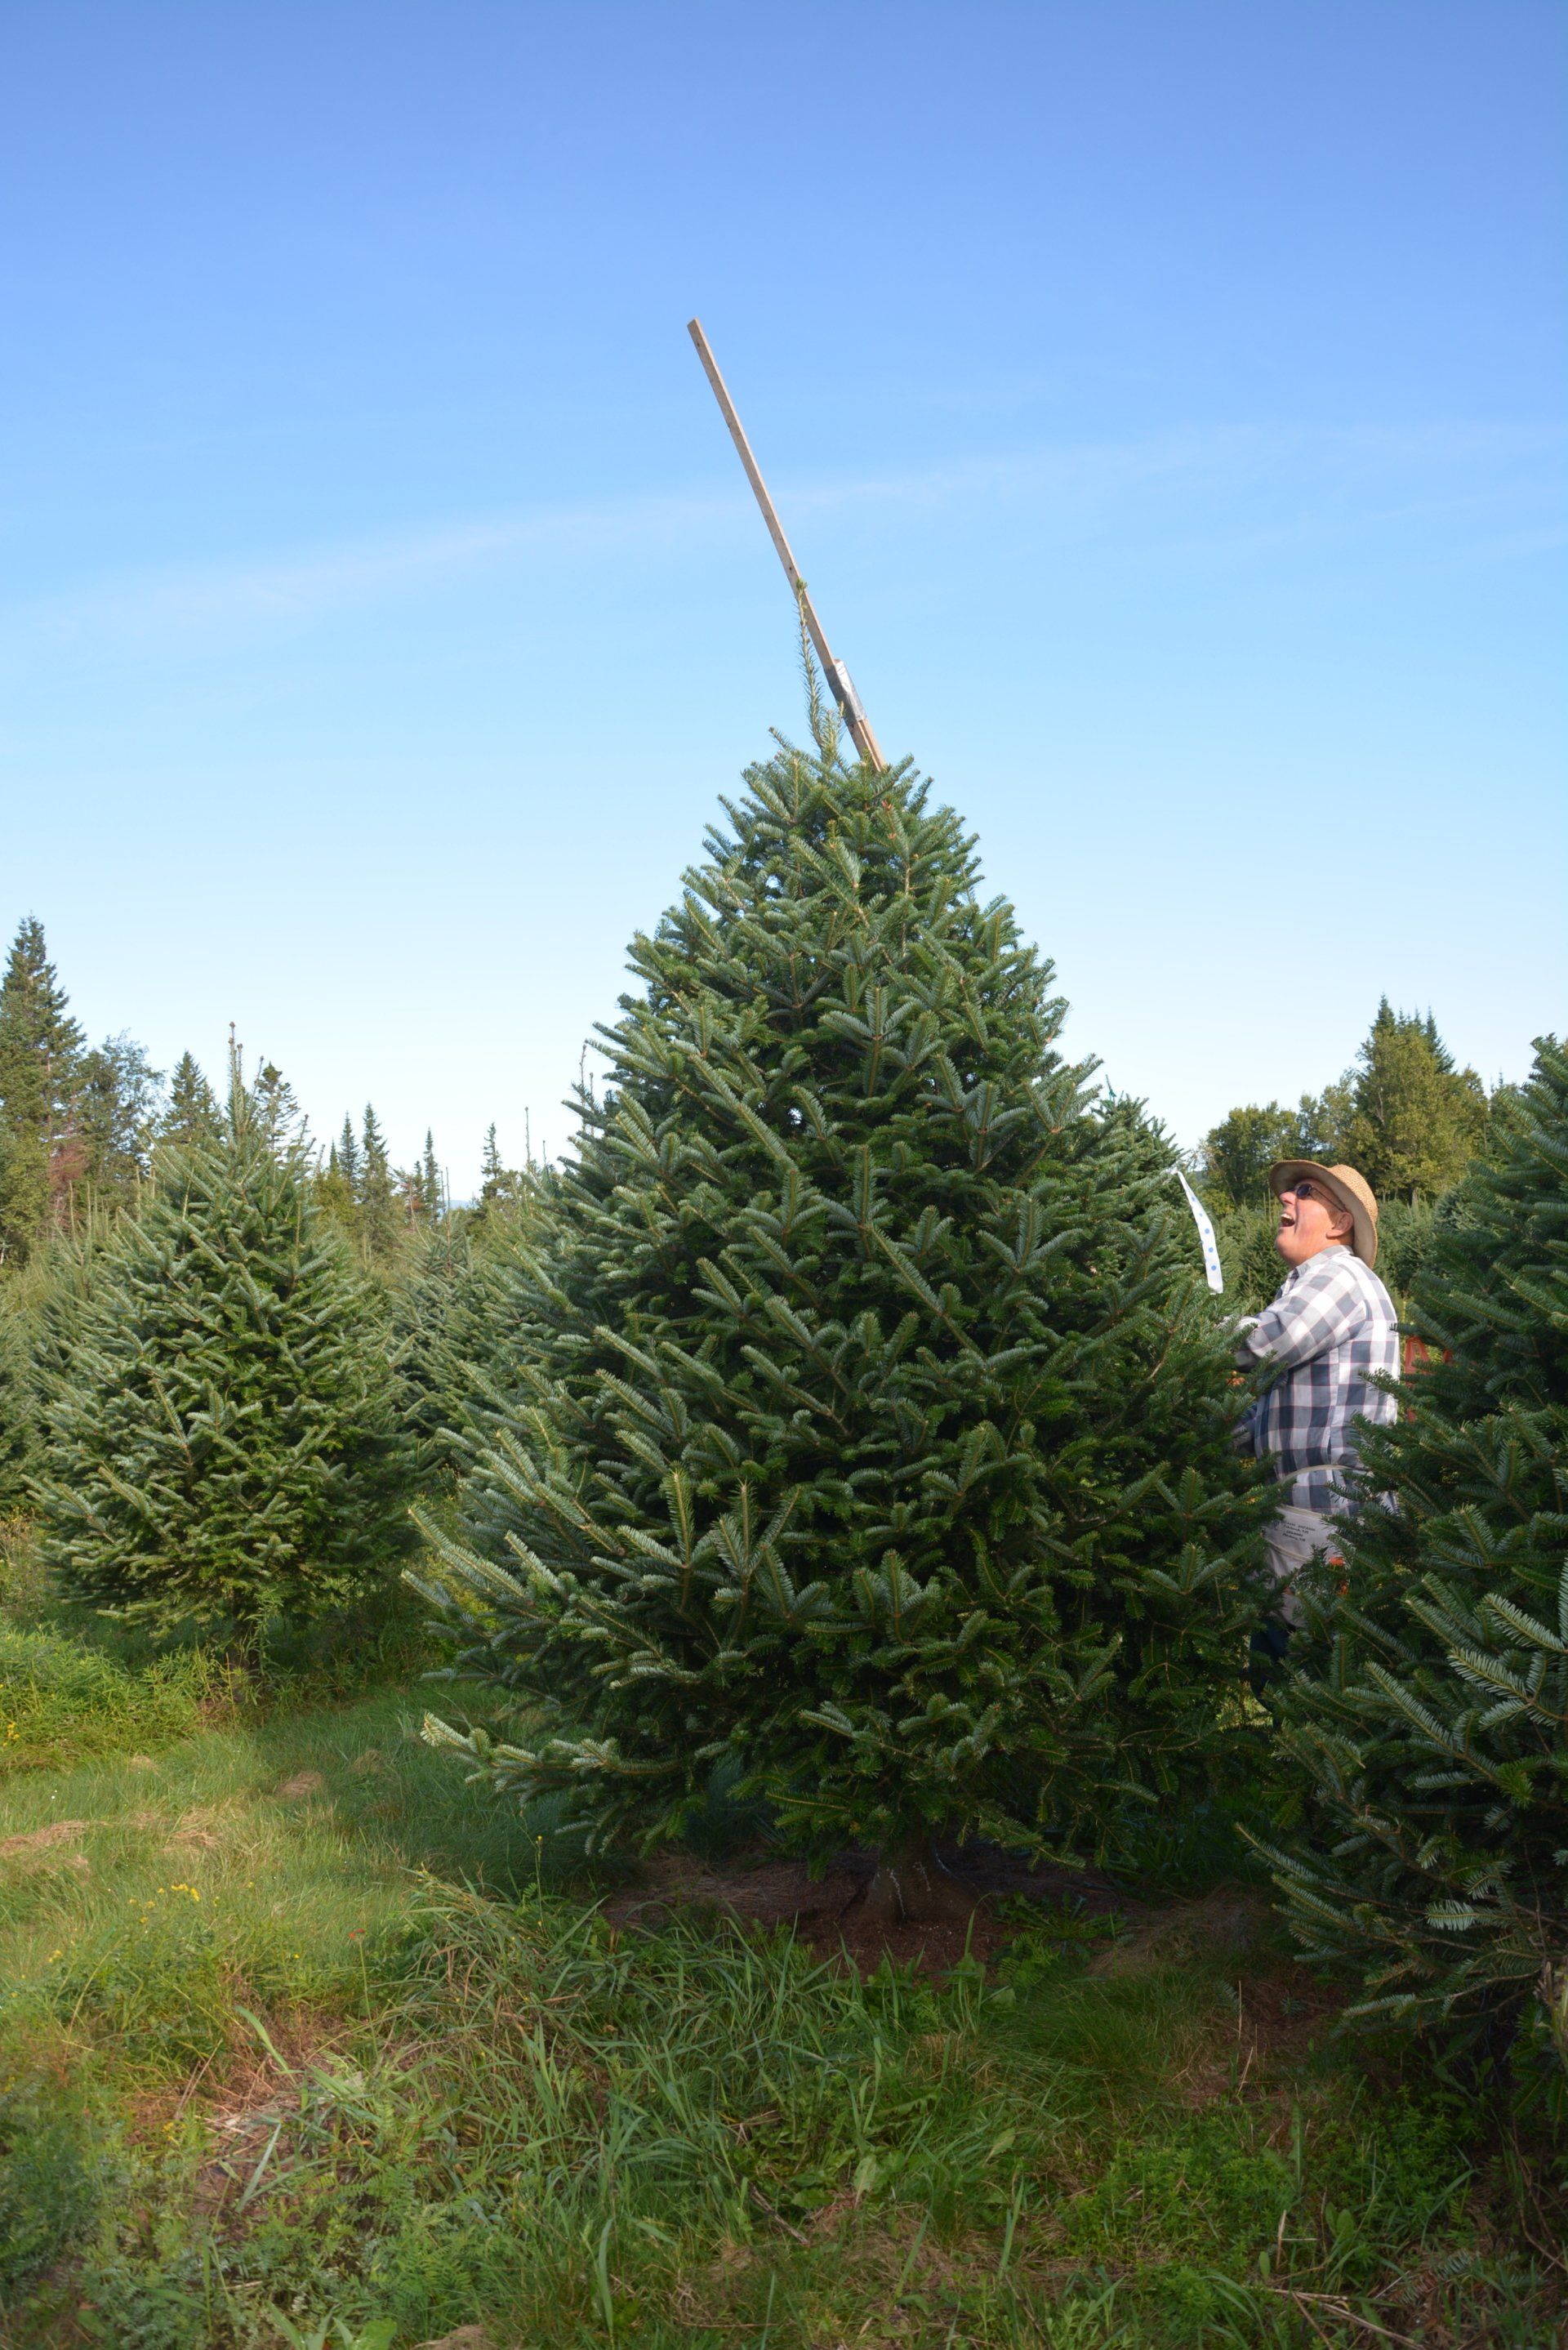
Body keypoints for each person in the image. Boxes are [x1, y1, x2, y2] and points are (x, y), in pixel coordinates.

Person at [1236, 1159, 1399, 1676]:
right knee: (1284, 1671)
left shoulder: (1341, 1274)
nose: (1286, 1199)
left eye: (1303, 1192)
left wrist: (1181, 1329)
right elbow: (1261, 1423)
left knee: (1309, 1682)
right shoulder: (1305, 1288)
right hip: (1302, 1516)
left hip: (1329, 1516)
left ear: (1339, 1223)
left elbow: (1268, 1339)